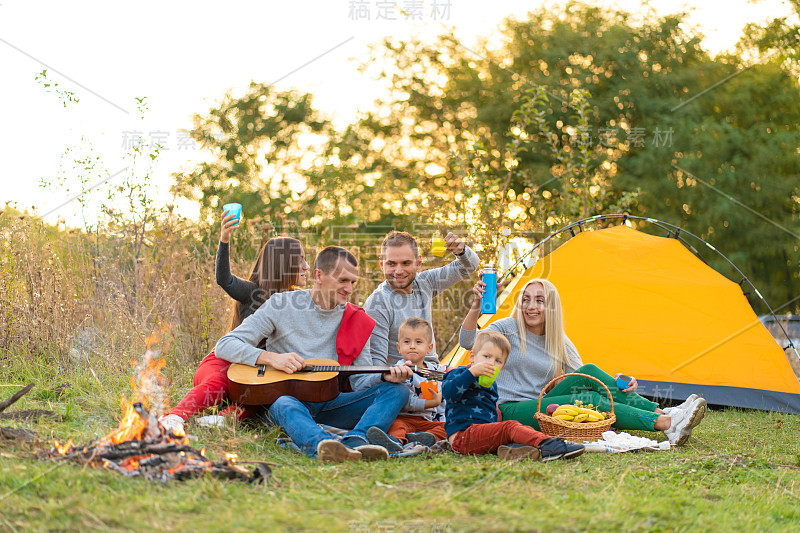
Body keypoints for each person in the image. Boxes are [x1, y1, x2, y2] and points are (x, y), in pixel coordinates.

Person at [215, 246, 412, 462]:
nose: (349, 289)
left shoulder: (357, 319)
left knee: (397, 391)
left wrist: (384, 376)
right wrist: (271, 358)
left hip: (331, 403)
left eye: (352, 282)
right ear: (318, 275)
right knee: (283, 404)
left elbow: (360, 381)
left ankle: (356, 441)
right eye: (342, 281)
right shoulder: (281, 304)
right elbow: (225, 344)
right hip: (287, 403)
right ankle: (322, 447)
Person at [460, 277, 707, 446]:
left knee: (588, 372)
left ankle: (659, 410)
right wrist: (476, 307)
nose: (530, 306)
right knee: (589, 401)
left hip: (543, 402)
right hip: (509, 406)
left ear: (551, 306)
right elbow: (467, 342)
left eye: (539, 300)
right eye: (526, 299)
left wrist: (621, 382)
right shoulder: (507, 328)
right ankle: (665, 423)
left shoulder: (558, 340)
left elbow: (588, 379)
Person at [160, 211, 309, 433]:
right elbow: (224, 280)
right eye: (301, 260)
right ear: (284, 265)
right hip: (223, 361)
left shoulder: (295, 300)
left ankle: (219, 421)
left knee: (262, 395)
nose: (306, 266)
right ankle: (174, 417)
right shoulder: (253, 291)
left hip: (255, 370)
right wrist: (225, 239)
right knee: (218, 383)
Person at [360, 230, 479, 391]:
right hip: (407, 380)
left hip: (434, 372)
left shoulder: (425, 283)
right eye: (391, 264)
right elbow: (378, 366)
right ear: (382, 264)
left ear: (418, 262)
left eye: (406, 263)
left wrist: (461, 250)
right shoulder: (378, 303)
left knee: (479, 379)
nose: (399, 271)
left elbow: (469, 265)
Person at [443, 330, 585, 461]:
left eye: (498, 361)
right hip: (463, 437)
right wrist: (471, 373)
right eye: (486, 357)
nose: (491, 363)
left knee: (517, 429)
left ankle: (518, 449)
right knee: (509, 427)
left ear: (503, 367)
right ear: (472, 357)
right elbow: (449, 394)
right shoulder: (460, 373)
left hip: (481, 436)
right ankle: (549, 446)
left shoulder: (491, 384)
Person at [365, 318, 448, 451]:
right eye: (407, 342)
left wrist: (441, 417)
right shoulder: (400, 370)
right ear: (399, 347)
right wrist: (431, 403)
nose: (412, 346)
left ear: (429, 348)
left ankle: (420, 438)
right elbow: (405, 401)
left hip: (427, 422)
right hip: (404, 418)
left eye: (419, 342)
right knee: (396, 426)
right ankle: (395, 441)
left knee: (446, 427)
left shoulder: (436, 371)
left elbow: (442, 403)